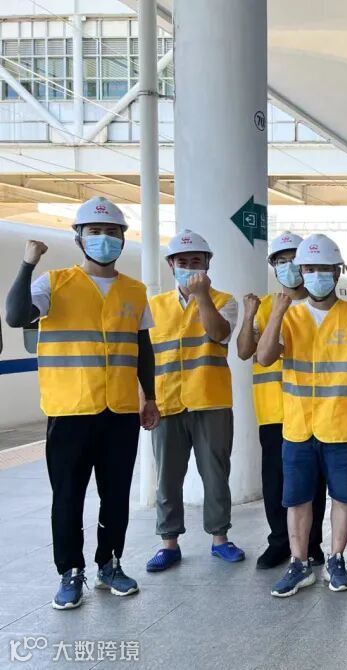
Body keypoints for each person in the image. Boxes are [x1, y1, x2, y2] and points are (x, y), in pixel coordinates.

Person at [3, 197, 158, 610]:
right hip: (70, 410)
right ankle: (70, 571)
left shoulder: (135, 290)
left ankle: (110, 563)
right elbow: (16, 317)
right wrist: (27, 264)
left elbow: (143, 348)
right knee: (68, 496)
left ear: (122, 238)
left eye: (112, 232)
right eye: (95, 232)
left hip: (120, 411)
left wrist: (150, 397)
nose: (104, 239)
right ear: (79, 238)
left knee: (116, 494)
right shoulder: (52, 283)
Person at [257, 233, 347, 597]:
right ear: (301, 272)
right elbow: (263, 357)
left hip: (342, 424)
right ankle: (299, 562)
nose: (316, 275)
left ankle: (336, 560)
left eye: (324, 269)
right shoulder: (289, 316)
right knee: (296, 498)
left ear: (337, 272)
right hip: (298, 426)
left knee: (343, 495)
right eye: (309, 269)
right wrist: (277, 313)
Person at [145, 229, 245, 572]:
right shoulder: (153, 307)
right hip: (166, 402)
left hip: (210, 401)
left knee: (215, 474)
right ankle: (168, 543)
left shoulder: (224, 301)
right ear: (171, 265)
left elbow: (219, 334)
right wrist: (144, 399)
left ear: (207, 264)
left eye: (196, 261)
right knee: (167, 477)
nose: (189, 267)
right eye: (182, 261)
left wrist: (202, 296)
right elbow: (145, 358)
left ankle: (220, 538)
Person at [236, 231, 328, 570]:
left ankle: (312, 543)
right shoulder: (263, 307)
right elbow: (244, 351)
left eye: (294, 260)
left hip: (311, 408)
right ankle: (279, 542)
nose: (288, 266)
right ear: (273, 266)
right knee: (275, 480)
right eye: (281, 261)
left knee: (314, 480)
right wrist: (249, 315)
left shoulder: (319, 307)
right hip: (274, 409)